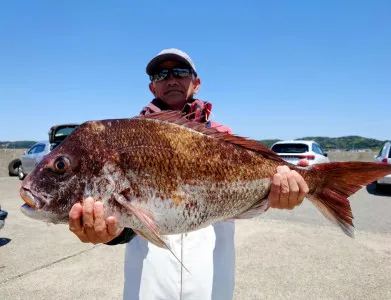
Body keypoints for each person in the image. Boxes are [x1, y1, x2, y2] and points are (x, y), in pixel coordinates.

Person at [68, 48, 310, 300]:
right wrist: (109, 232)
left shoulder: (222, 136)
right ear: (152, 88)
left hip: (211, 275)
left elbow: (248, 193)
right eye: (161, 74)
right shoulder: (129, 137)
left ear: (196, 83)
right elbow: (128, 217)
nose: (171, 79)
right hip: (150, 279)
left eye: (180, 72)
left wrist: (278, 194)